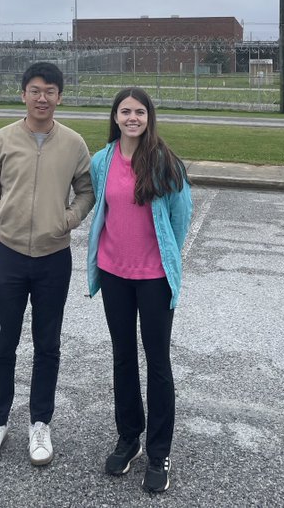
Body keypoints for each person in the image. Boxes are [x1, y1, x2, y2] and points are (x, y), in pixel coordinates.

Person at [0, 61, 94, 467]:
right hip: (7, 255)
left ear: (60, 97)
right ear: (23, 93)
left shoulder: (74, 144)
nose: (42, 98)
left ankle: (40, 422)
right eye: (35, 90)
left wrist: (67, 220)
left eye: (50, 91)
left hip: (53, 258)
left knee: (48, 345)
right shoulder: (1, 140)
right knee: (2, 344)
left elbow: (86, 192)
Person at [87, 87, 193, 494]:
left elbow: (181, 217)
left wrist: (164, 256)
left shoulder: (165, 162)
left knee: (158, 363)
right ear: (115, 117)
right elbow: (102, 206)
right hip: (114, 274)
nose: (132, 118)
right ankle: (129, 437)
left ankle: (159, 450)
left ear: (149, 117)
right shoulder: (103, 160)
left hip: (153, 278)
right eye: (125, 111)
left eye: (140, 112)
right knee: (123, 358)